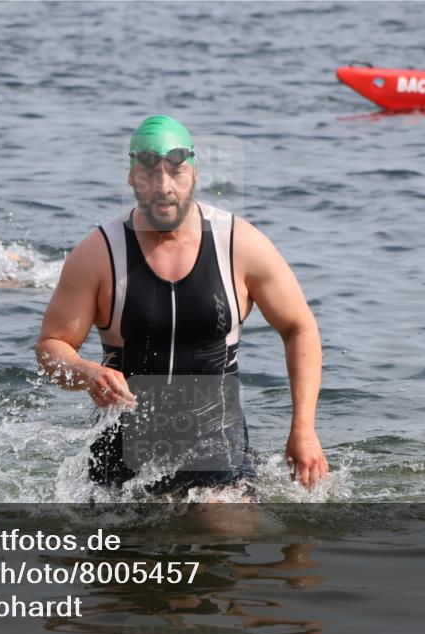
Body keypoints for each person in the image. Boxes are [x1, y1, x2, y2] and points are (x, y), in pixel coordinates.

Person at [36, 115, 329, 493]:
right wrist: (85, 371)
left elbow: (299, 327)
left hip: (216, 441)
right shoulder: (98, 254)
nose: (163, 187)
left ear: (194, 173)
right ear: (132, 177)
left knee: (224, 521)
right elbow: (51, 346)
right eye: (149, 173)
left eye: (176, 171)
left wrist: (303, 429)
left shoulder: (239, 244)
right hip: (121, 447)